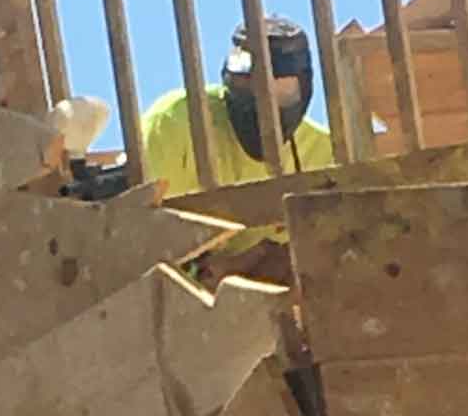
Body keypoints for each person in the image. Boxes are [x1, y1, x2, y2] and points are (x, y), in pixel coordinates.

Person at [142, 16, 336, 285]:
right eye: (252, 85)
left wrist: (250, 262)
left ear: (304, 88)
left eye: (281, 90)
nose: (266, 105)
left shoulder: (322, 155)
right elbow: (139, 239)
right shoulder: (175, 123)